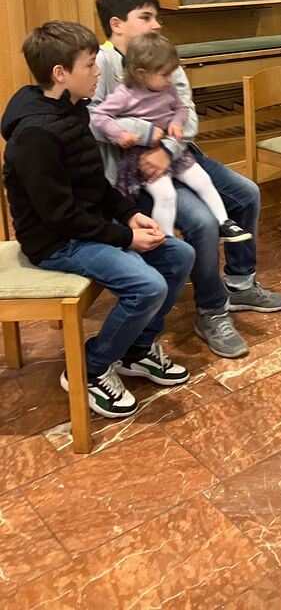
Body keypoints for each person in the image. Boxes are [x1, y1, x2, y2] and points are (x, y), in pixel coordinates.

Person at [1, 21, 195, 419]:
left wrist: (130, 213)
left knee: (179, 256)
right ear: (60, 73)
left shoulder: (71, 109)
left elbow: (94, 183)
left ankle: (136, 351)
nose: (98, 71)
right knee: (147, 286)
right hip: (57, 242)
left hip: (87, 226)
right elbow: (59, 216)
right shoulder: (36, 134)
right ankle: (90, 368)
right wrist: (125, 238)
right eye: (90, 65)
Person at [90, 0, 281, 361]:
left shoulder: (162, 54)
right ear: (117, 24)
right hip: (134, 170)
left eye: (156, 17)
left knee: (246, 193)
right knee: (201, 222)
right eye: (146, 17)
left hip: (176, 155)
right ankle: (212, 311)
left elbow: (189, 114)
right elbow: (93, 119)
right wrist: (148, 134)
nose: (156, 24)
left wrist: (167, 148)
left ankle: (240, 283)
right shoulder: (101, 63)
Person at [90, 33, 252, 243]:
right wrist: (119, 133)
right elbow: (98, 116)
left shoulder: (167, 86)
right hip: (141, 157)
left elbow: (181, 108)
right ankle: (167, 241)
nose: (170, 79)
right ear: (142, 73)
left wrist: (176, 122)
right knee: (166, 195)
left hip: (172, 149)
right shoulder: (125, 93)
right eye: (165, 74)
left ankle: (224, 223)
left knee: (203, 180)